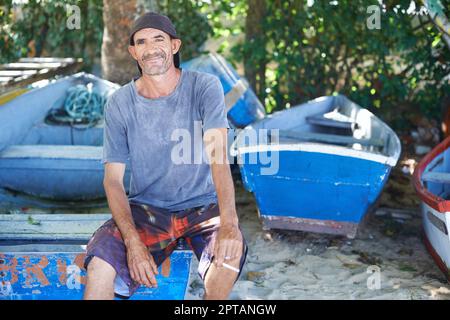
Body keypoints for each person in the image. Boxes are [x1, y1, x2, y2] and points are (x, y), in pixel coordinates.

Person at [83, 12, 247, 300]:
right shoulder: (120, 103)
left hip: (203, 207)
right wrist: (133, 242)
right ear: (133, 52)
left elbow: (219, 157)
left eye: (158, 39)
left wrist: (230, 224)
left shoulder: (204, 87)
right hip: (147, 209)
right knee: (98, 268)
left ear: (174, 46)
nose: (150, 48)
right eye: (141, 42)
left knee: (226, 262)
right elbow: (113, 181)